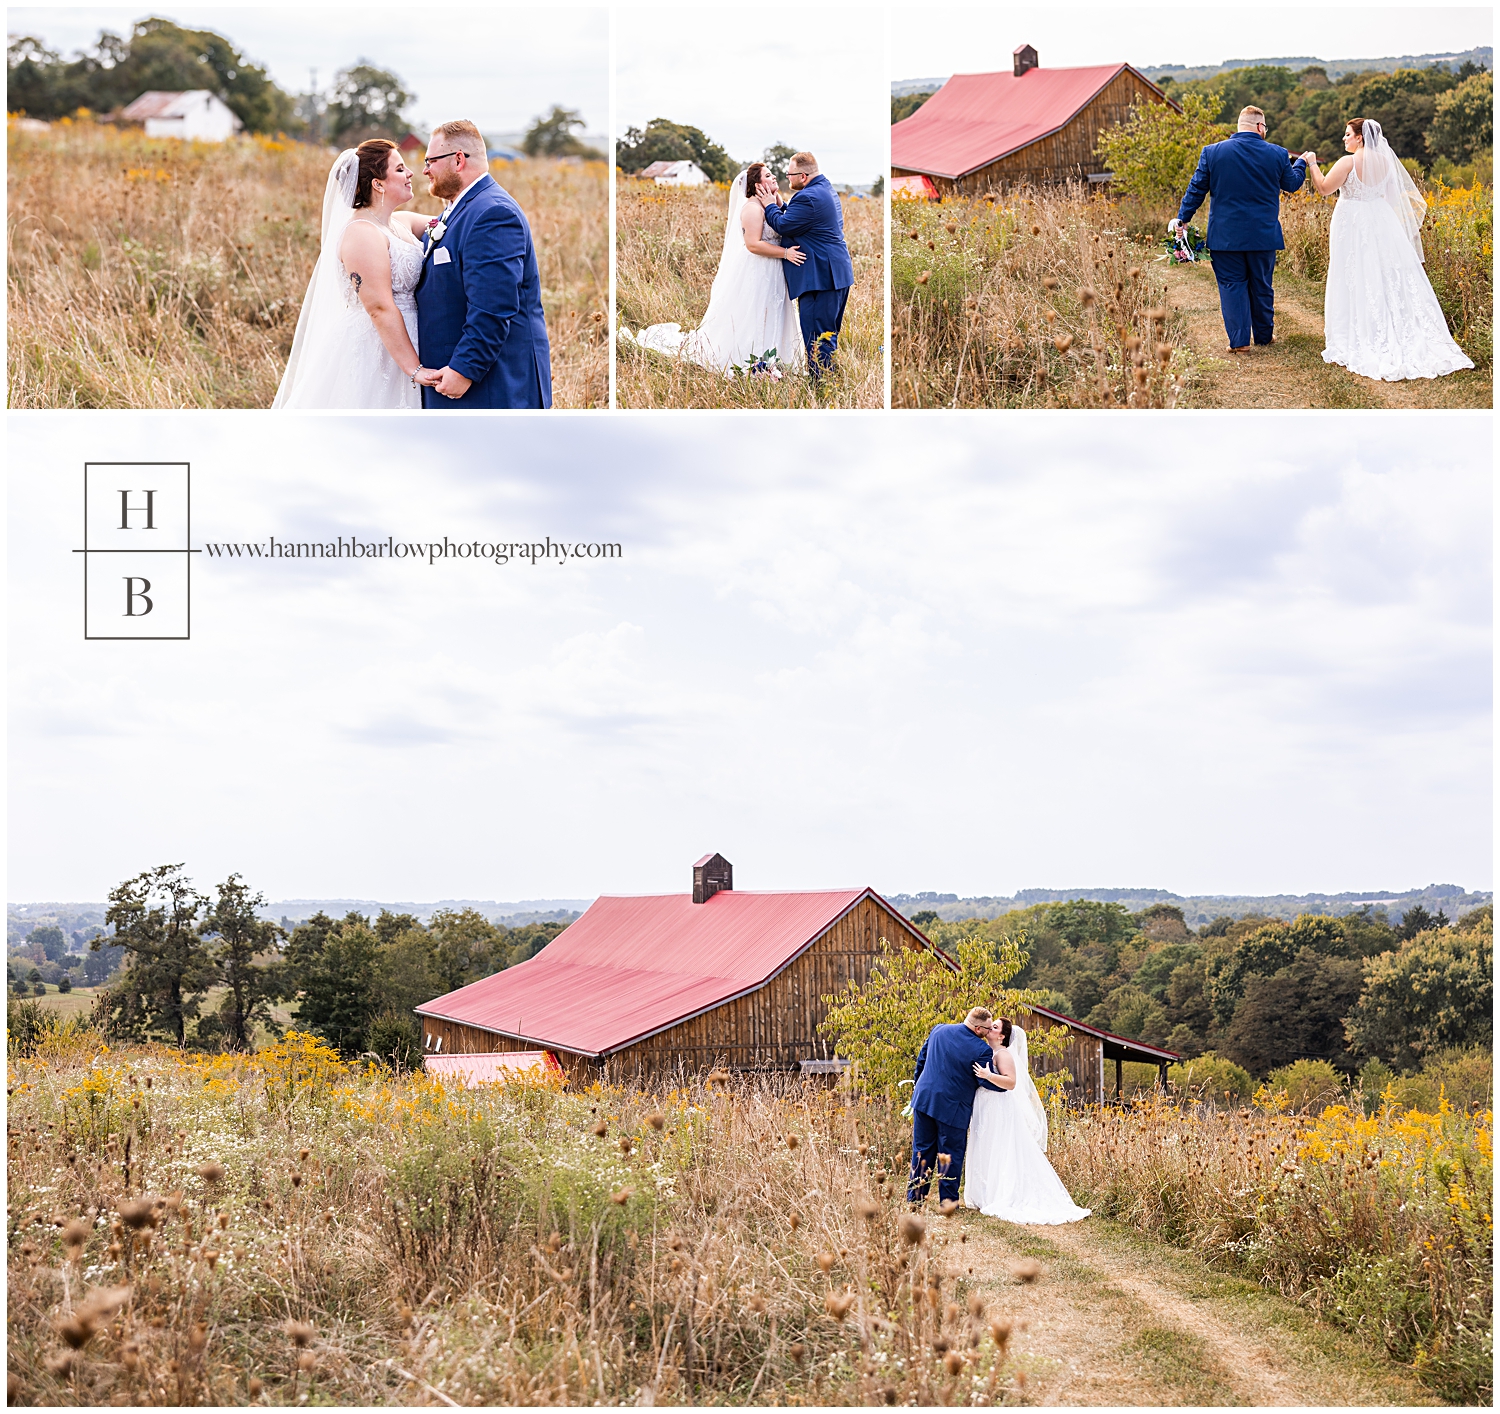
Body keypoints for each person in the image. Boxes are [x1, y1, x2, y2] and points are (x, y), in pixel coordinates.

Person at [1301, 119, 1474, 382]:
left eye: (1347, 134)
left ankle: (1359, 333)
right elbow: (1392, 198)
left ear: (1360, 138)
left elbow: (1324, 188)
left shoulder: (1348, 162)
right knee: (1382, 276)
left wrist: (1312, 163)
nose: (1344, 139)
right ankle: (1393, 327)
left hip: (1352, 223)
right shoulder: (1385, 162)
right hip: (1381, 221)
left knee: (1353, 274)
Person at [273, 140, 438, 409]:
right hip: (378, 348)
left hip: (410, 337)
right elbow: (379, 307)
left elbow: (452, 221)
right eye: (400, 169)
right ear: (378, 184)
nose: (411, 173)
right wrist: (414, 369)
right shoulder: (361, 233)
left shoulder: (400, 222)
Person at [414, 119, 553, 408]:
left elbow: (494, 305)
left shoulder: (493, 213)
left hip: (492, 387)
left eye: (430, 161)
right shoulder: (462, 207)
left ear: (458, 160)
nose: (425, 170)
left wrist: (464, 369)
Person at [623, 161, 807, 375]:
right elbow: (752, 244)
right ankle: (752, 361)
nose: (774, 177)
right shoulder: (752, 209)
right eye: (768, 175)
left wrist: (776, 202)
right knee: (754, 312)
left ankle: (776, 360)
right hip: (759, 269)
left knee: (773, 310)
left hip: (774, 270)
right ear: (757, 185)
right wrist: (786, 253)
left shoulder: (769, 205)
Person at [1171, 106, 1308, 352]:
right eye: (1265, 127)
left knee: (1231, 285)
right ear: (1259, 126)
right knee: (1261, 285)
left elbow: (1196, 189)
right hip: (1263, 235)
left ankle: (1239, 342)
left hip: (1225, 236)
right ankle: (1265, 337)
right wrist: (1301, 164)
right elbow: (1292, 184)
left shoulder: (1212, 152)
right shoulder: (1277, 153)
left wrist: (1183, 219)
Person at [963, 1019, 1091, 1224]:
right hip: (985, 1105)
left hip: (999, 1106)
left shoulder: (1003, 1055)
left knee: (1000, 1147)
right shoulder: (988, 1051)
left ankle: (1001, 1194)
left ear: (1002, 1036)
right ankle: (984, 1193)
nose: (990, 1029)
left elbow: (1011, 1082)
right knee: (986, 1145)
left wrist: (988, 1076)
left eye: (995, 1027)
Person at [757, 152, 856, 382]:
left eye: (789, 174)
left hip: (820, 277)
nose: (786, 178)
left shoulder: (807, 198)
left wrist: (770, 205)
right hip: (835, 274)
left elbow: (782, 225)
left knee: (816, 336)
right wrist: (782, 203)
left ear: (802, 176)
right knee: (827, 334)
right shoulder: (824, 188)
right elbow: (802, 219)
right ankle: (828, 378)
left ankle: (820, 385)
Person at [907, 1006, 1012, 1206]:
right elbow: (985, 1081)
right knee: (950, 1153)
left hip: (924, 1099)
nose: (989, 1032)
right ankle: (947, 1202)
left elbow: (921, 1060)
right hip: (953, 1108)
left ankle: (915, 1199)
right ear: (978, 1028)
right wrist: (1004, 1087)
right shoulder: (981, 1050)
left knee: (921, 1149)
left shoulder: (939, 1029)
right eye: (988, 1029)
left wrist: (920, 1085)